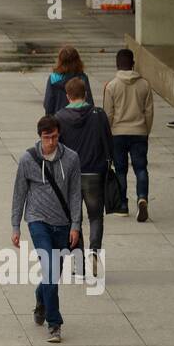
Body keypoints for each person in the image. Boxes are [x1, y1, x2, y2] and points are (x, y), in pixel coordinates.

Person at [10, 115, 82, 344]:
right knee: (50, 269)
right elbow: (19, 193)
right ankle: (55, 324)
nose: (50, 141)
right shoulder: (27, 159)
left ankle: (41, 297)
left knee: (54, 274)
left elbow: (75, 193)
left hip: (62, 223)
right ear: (40, 137)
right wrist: (15, 226)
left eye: (54, 136)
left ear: (59, 135)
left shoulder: (71, 158)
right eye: (46, 137)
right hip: (37, 220)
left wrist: (76, 225)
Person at [54, 77, 112, 274]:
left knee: (73, 219)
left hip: (70, 177)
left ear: (68, 96)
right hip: (94, 173)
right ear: (85, 94)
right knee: (96, 217)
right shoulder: (98, 114)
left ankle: (78, 260)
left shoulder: (59, 117)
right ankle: (94, 252)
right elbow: (108, 142)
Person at [102, 48, 153, 222]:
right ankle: (142, 197)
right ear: (133, 64)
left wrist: (107, 135)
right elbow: (149, 112)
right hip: (139, 132)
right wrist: (146, 131)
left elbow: (108, 114)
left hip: (118, 134)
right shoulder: (144, 84)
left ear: (117, 65)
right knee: (141, 168)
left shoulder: (111, 86)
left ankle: (122, 205)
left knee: (121, 170)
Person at [43, 46, 94, 116]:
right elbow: (89, 103)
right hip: (80, 120)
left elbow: (48, 105)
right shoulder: (82, 78)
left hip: (60, 119)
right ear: (77, 61)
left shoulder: (53, 79)